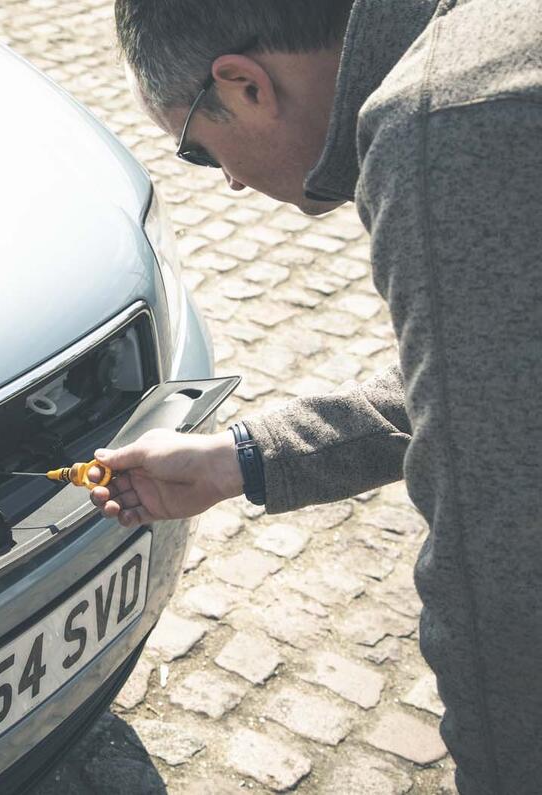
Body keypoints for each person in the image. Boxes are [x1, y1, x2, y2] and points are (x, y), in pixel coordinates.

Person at [87, 1, 542, 792]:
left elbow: (496, 554)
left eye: (197, 149)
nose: (227, 180)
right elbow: (499, 390)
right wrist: (239, 459)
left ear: (244, 84)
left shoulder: (445, 126)